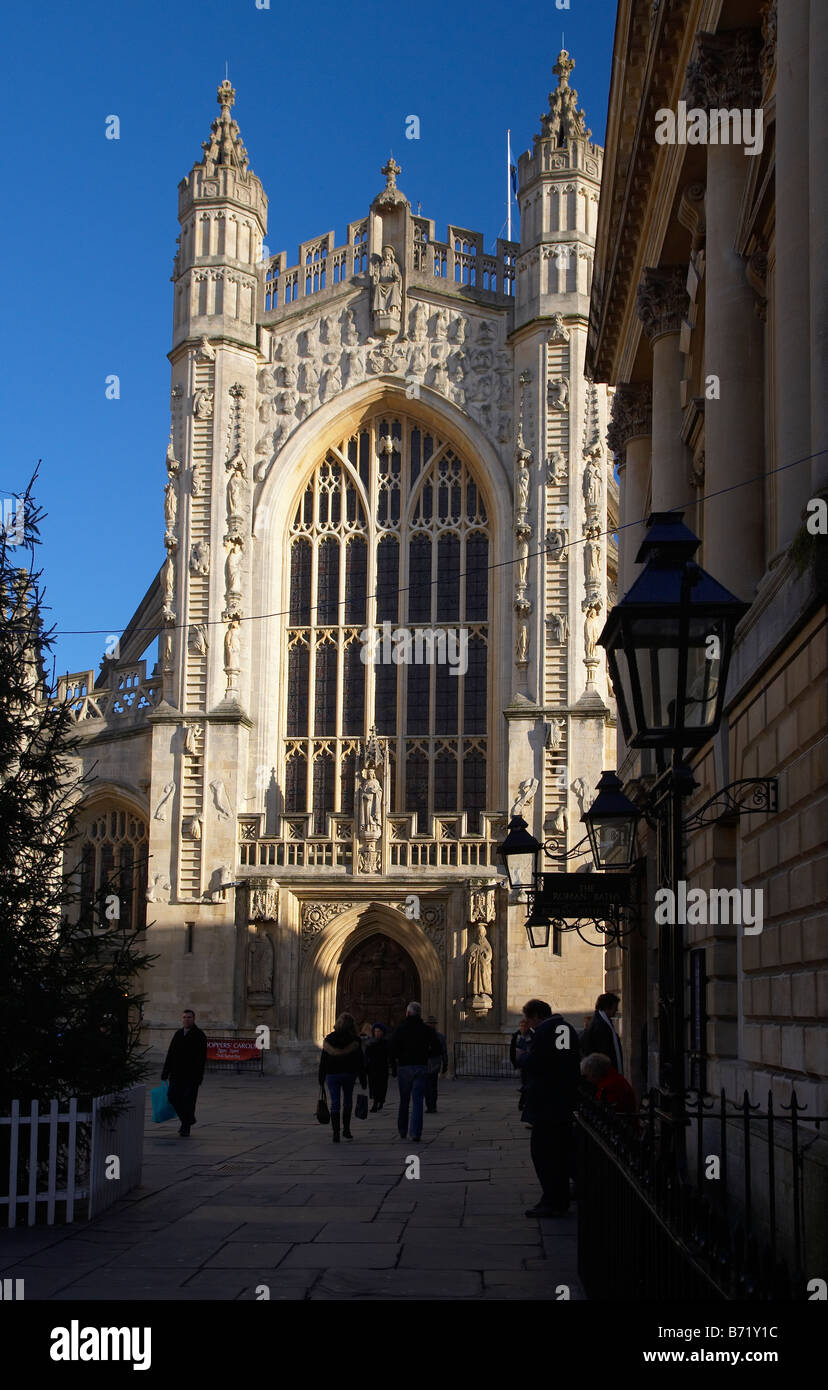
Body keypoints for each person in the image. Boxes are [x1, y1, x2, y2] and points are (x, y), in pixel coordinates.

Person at [515, 999, 581, 1218]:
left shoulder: (545, 1031)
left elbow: (541, 1063)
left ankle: (553, 1199)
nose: (529, 1025)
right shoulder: (564, 1028)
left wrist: (524, 1056)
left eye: (529, 1020)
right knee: (560, 1152)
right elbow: (562, 1061)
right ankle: (559, 1196)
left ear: (536, 1016)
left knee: (544, 1153)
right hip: (563, 1100)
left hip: (548, 1103)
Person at [388, 1002, 442, 1142]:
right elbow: (437, 1048)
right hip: (420, 1067)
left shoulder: (400, 1029)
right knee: (418, 1100)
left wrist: (395, 1062)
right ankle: (416, 1132)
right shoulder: (426, 1030)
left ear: (407, 1013)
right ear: (419, 1014)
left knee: (404, 1100)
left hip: (405, 1068)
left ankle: (402, 1130)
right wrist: (426, 1054)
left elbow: (392, 1049)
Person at [318, 1011, 367, 1143]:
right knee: (348, 1101)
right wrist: (363, 1078)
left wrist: (321, 1078)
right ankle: (346, 1130)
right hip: (348, 1074)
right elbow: (360, 1060)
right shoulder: (355, 1041)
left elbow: (324, 1060)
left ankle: (336, 1133)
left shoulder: (329, 1039)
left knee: (335, 1103)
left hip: (332, 1075)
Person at [161, 1009, 207, 1138]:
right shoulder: (178, 1034)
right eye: (184, 1017)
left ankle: (185, 1126)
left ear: (194, 1019)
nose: (186, 1019)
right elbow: (170, 1054)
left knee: (188, 1101)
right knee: (172, 1096)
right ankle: (188, 1120)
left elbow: (201, 1058)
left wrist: (199, 1076)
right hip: (176, 1074)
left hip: (191, 1076)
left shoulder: (199, 1035)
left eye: (189, 1017)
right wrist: (165, 1071)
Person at [582, 992, 623, 1074]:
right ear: (608, 1007)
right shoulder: (600, 1025)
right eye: (615, 1007)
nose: (616, 1010)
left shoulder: (600, 1021)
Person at [424, 1015, 448, 1113]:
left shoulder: (440, 1037)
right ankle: (430, 1105)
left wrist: (445, 1063)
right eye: (430, 1023)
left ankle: (432, 1105)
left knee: (432, 1086)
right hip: (427, 1063)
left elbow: (444, 1051)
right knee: (428, 1086)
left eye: (432, 1024)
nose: (431, 1025)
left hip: (433, 1063)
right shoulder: (423, 1036)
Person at [365, 1022, 390, 1112]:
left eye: (379, 1031)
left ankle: (380, 1101)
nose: (377, 1033)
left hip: (383, 1067)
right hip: (372, 1068)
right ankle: (375, 1102)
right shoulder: (370, 1043)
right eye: (375, 1031)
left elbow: (390, 1056)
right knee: (373, 1086)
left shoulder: (386, 1043)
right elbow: (366, 1056)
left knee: (382, 1085)